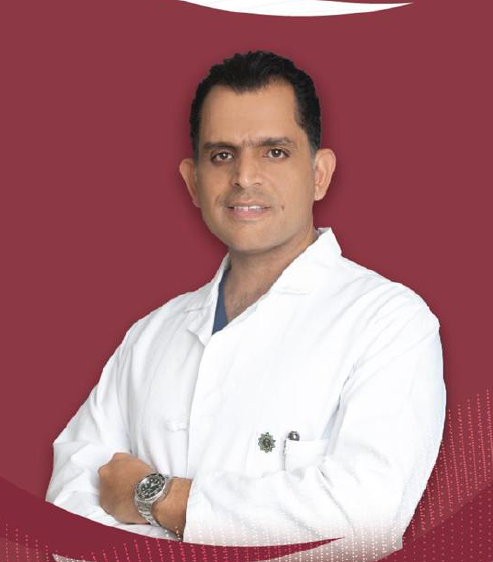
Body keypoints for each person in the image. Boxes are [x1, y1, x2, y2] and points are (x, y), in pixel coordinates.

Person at [46, 51, 445, 561]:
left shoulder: (389, 322)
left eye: (275, 152)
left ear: (320, 173)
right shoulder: (150, 336)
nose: (244, 177)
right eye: (221, 155)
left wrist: (158, 497)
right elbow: (70, 512)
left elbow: (364, 519)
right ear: (193, 181)